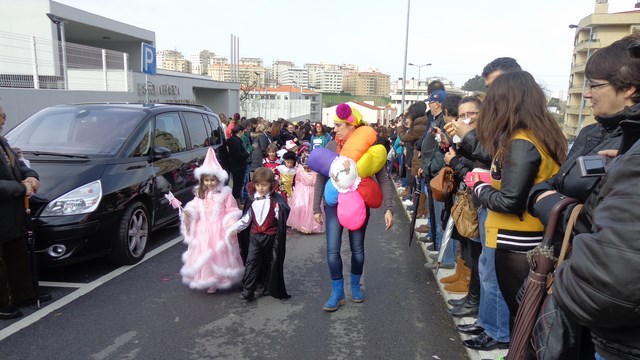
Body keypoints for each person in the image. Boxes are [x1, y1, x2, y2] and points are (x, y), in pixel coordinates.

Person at [533, 33, 640, 360]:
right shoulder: (596, 134)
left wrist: (562, 279)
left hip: (616, 331)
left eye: (595, 85)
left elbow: (613, 270)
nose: (588, 93)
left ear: (629, 88)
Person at [472, 71, 567, 338]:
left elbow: (510, 201)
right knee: (529, 316)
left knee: (523, 318)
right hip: (533, 236)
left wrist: (480, 188)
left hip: (517, 242)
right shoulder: (542, 135)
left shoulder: (521, 143)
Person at [311, 103, 395, 312]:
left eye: (339, 125)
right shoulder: (331, 146)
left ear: (351, 126)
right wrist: (315, 208)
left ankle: (355, 286)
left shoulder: (367, 148)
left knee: (357, 249)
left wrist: (389, 208)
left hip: (358, 204)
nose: (335, 129)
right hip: (333, 206)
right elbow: (321, 179)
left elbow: (383, 178)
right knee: (332, 250)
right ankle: (337, 293)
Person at [179, 148, 244, 293]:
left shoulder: (225, 193)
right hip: (203, 230)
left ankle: (220, 279)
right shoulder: (200, 193)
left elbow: (232, 209)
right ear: (202, 181)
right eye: (206, 180)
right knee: (205, 254)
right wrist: (189, 213)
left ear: (218, 179)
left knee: (219, 254)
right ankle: (209, 279)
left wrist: (231, 224)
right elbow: (195, 207)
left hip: (219, 229)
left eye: (212, 180)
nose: (209, 183)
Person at [0, 104, 44, 319]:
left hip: (11, 214)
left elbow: (18, 165)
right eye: (1, 116)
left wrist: (32, 176)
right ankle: (3, 305)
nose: (4, 119)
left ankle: (24, 295)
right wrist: (20, 188)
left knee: (17, 256)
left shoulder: (2, 141)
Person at [230, 167, 290, 302]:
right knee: (251, 262)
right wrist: (234, 229)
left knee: (270, 262)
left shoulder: (276, 200)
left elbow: (282, 217)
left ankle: (268, 286)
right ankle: (248, 291)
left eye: (264, 185)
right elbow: (246, 219)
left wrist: (280, 212)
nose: (261, 188)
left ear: (270, 184)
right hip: (255, 236)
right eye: (258, 185)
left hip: (271, 236)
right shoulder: (252, 200)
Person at [286, 152, 322, 234]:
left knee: (310, 209)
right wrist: (296, 193)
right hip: (302, 192)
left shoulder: (316, 173)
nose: (307, 169)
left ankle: (311, 226)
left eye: (309, 168)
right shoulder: (300, 170)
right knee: (302, 207)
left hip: (313, 192)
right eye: (306, 168)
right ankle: (301, 224)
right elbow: (297, 181)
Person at [226, 124, 250, 206]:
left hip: (237, 165)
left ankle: (238, 201)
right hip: (237, 166)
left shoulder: (234, 140)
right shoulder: (235, 141)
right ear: (240, 132)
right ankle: (236, 202)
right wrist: (247, 153)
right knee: (237, 185)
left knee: (239, 184)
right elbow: (239, 155)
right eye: (243, 132)